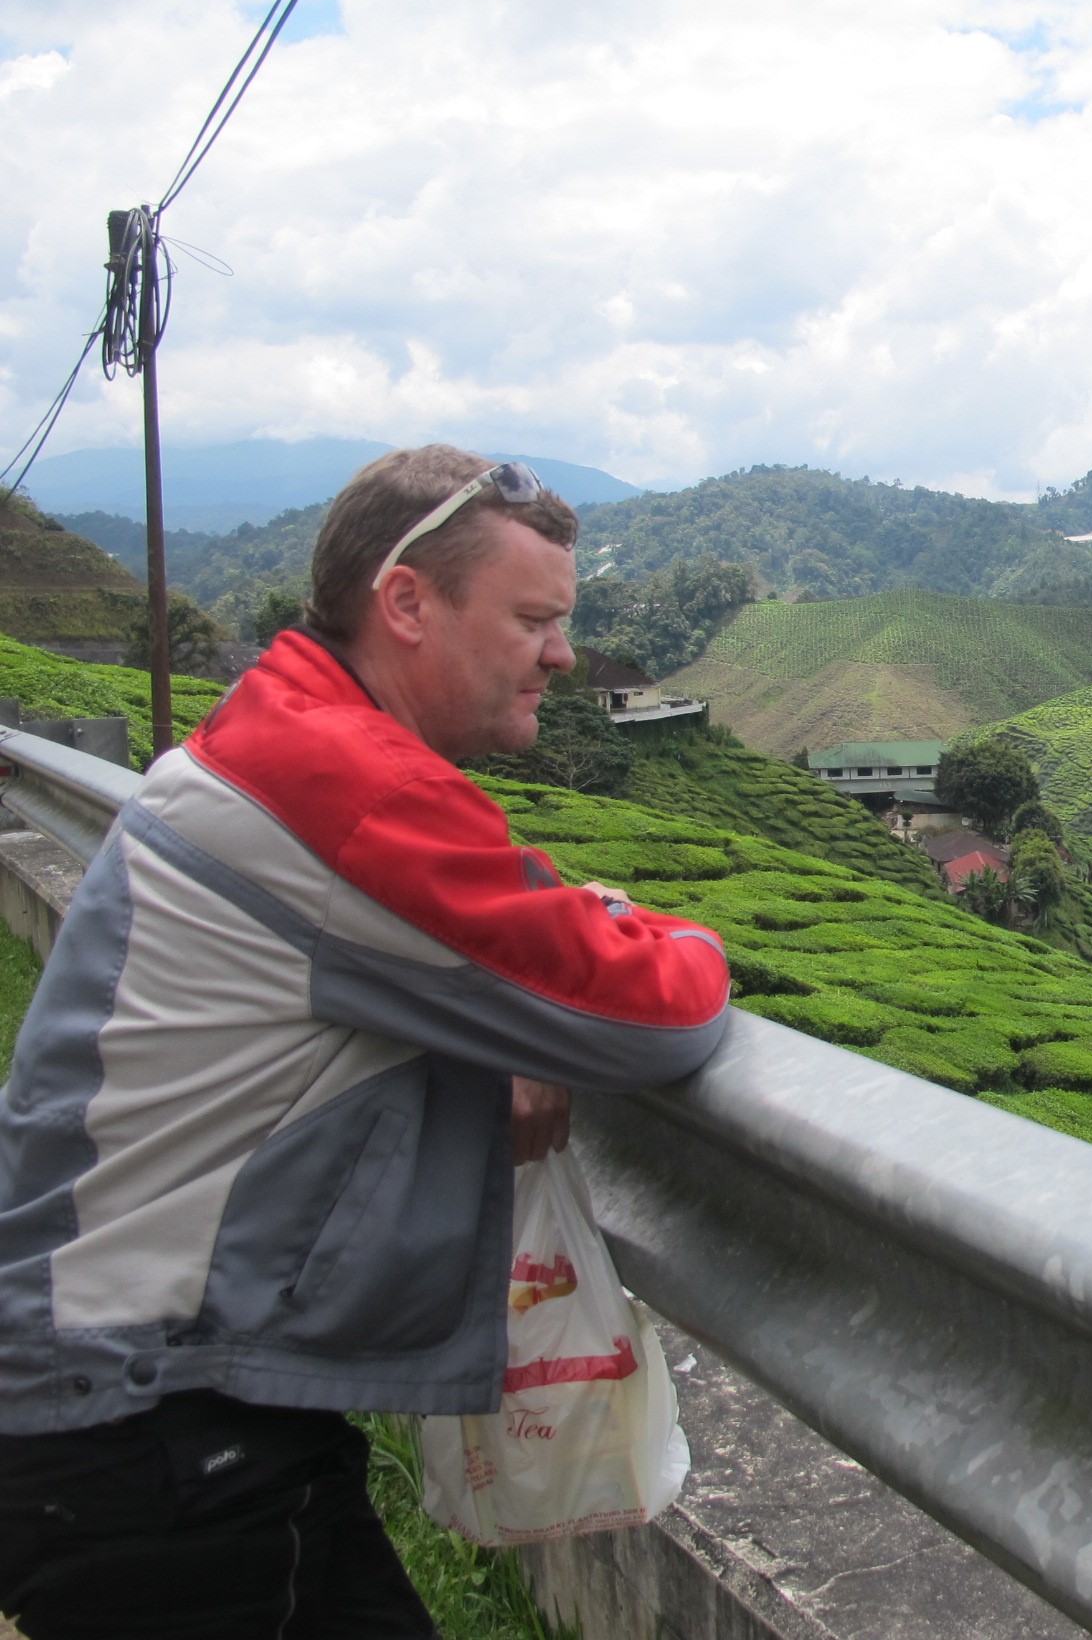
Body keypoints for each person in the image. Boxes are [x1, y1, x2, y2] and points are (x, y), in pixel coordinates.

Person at [0, 447, 731, 1638]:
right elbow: (652, 1010)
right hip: (152, 1428)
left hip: (151, 1406)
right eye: (534, 618)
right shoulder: (349, 786)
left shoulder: (285, 731)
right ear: (406, 602)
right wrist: (660, 926)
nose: (560, 653)